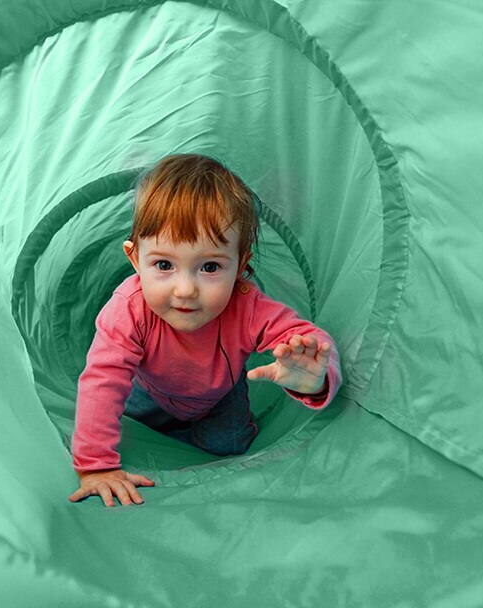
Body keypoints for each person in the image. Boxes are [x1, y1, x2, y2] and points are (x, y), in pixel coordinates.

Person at [68, 154, 341, 507]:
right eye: (164, 264)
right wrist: (95, 467)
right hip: (148, 391)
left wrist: (316, 378)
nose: (185, 290)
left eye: (210, 266)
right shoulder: (129, 309)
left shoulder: (246, 306)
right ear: (135, 259)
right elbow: (102, 380)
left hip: (220, 398)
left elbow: (308, 338)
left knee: (229, 450)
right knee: (134, 426)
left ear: (240, 266)